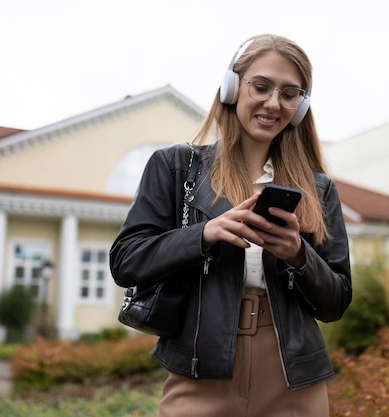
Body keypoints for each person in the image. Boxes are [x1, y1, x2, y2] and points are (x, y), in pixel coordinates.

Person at [110, 33, 352, 417]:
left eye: (289, 94)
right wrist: (203, 234)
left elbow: (336, 301)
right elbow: (125, 261)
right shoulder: (175, 168)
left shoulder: (318, 189)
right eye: (262, 86)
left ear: (300, 106)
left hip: (292, 373)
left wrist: (298, 254)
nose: (274, 103)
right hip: (200, 367)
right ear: (232, 87)